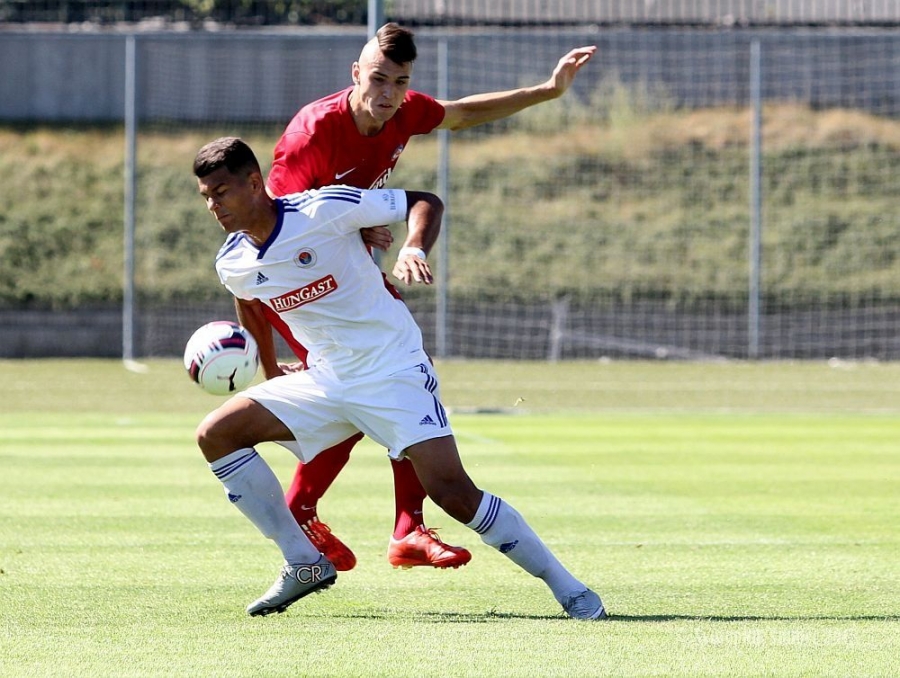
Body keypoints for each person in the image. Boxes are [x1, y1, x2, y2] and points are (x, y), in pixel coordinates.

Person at [192, 136, 607, 620]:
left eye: (220, 192)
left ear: (254, 182)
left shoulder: (322, 209)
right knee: (216, 435)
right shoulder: (232, 261)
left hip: (392, 369)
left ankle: (568, 587)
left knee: (453, 493)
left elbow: (423, 202)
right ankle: (303, 560)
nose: (212, 205)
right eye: (205, 196)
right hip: (326, 380)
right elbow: (250, 303)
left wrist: (412, 245)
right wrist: (267, 370)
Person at [244, 22, 598, 572]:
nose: (387, 94)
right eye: (379, 79)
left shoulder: (404, 111)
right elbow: (279, 229)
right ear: (356, 73)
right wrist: (355, 230)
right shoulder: (311, 134)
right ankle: (308, 513)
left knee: (401, 375)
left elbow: (462, 112)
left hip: (345, 272)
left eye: (401, 82)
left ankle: (403, 527)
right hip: (295, 285)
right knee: (365, 387)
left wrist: (548, 91)